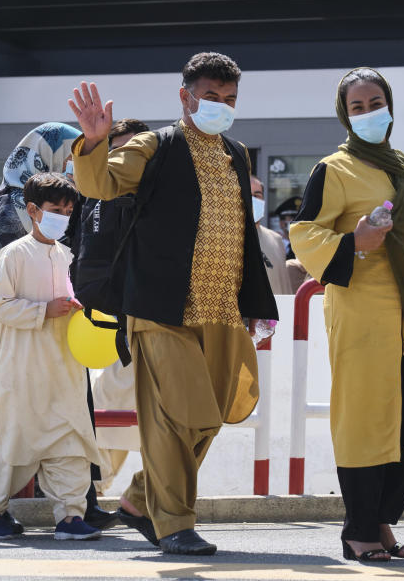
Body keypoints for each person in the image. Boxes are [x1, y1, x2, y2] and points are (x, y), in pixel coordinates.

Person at [68, 52, 278, 555]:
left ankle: (141, 499)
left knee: (212, 415)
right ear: (185, 97)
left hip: (222, 309)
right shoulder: (153, 145)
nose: (221, 107)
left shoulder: (237, 152)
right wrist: (95, 142)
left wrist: (254, 301)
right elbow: (99, 183)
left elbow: (242, 233)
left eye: (229, 99)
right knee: (174, 417)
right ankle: (175, 523)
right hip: (162, 309)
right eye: (210, 98)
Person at [289, 67, 404, 562]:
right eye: (357, 107)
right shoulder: (334, 168)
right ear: (344, 115)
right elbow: (304, 234)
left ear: (390, 105)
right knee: (368, 420)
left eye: (375, 103)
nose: (368, 113)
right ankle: (358, 530)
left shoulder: (401, 166)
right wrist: (354, 243)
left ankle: (380, 520)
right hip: (362, 310)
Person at [0, 172, 101, 541]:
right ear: (32, 210)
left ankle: (71, 516)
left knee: (69, 438)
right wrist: (44, 310)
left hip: (63, 365)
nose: (63, 214)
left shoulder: (68, 255)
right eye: (55, 208)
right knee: (10, 437)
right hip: (19, 365)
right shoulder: (13, 254)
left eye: (68, 209)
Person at [88, 119, 151, 494]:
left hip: (165, 325)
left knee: (172, 424)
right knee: (109, 413)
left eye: (134, 152)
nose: (126, 161)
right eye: (117, 153)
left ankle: (151, 501)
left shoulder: (168, 200)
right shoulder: (97, 203)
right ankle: (93, 497)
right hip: (109, 332)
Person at [0, 122, 82, 281]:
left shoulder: (75, 204)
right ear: (46, 156)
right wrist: (43, 306)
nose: (76, 169)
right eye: (71, 160)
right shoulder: (8, 212)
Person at [250, 176, 295, 295]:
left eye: (257, 195)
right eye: (247, 194)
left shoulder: (276, 239)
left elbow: (284, 286)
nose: (252, 200)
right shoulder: (226, 239)